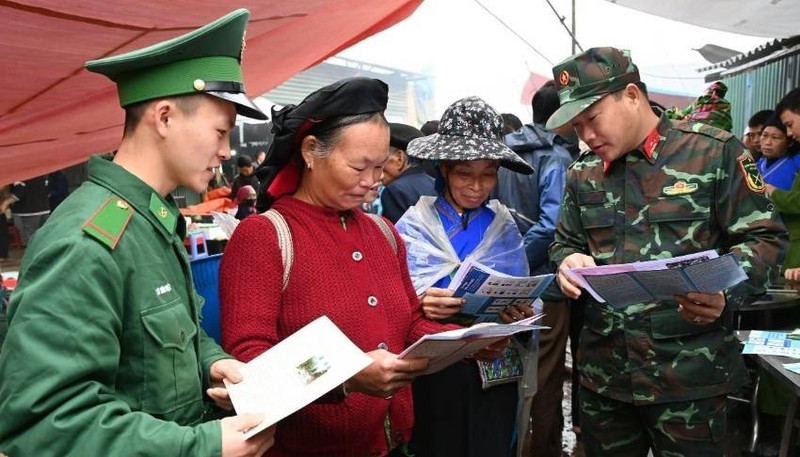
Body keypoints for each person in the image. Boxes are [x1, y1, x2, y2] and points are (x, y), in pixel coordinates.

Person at [0, 9, 276, 457]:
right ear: (164, 118)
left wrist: (211, 363)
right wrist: (201, 447)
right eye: (220, 131)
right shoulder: (88, 242)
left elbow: (164, 341)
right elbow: (43, 422)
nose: (226, 151)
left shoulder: (150, 222)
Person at [219, 77, 480, 457]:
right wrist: (346, 376)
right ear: (311, 151)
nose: (373, 182)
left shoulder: (383, 233)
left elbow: (408, 324)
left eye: (379, 167)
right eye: (359, 166)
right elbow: (249, 360)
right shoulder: (266, 236)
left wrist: (468, 341)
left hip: (393, 441)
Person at [547, 47, 787, 457]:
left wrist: (725, 291)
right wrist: (567, 261)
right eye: (576, 125)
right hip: (606, 381)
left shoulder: (712, 154)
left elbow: (766, 239)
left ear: (632, 96)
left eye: (592, 118)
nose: (585, 135)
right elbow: (565, 242)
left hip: (689, 377)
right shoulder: (582, 173)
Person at [395, 96, 534, 457]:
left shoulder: (504, 227)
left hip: (495, 366)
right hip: (437, 370)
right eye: (465, 174)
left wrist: (519, 315)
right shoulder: (414, 226)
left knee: (492, 444)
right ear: (443, 169)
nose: (477, 186)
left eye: (488, 174)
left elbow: (524, 298)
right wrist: (420, 302)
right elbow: (390, 298)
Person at [494, 80, 573, 456]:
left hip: (501, 281)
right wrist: (521, 260)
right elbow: (552, 222)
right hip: (546, 284)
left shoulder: (505, 150)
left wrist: (506, 264)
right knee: (544, 374)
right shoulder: (555, 157)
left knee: (506, 369)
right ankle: (541, 449)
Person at [380, 123, 436, 223]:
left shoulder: (395, 191)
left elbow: (397, 236)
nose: (378, 169)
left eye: (381, 160)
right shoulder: (436, 184)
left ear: (399, 158)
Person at [757, 113, 800, 191]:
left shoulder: (796, 164)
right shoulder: (757, 165)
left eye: (775, 137)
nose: (767, 142)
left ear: (790, 142)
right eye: (764, 135)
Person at [9, 175, 50, 246]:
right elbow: (48, 190)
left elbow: (19, 192)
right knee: (44, 237)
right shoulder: (42, 174)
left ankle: (32, 255)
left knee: (30, 238)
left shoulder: (20, 174)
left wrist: (6, 202)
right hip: (44, 209)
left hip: (26, 211)